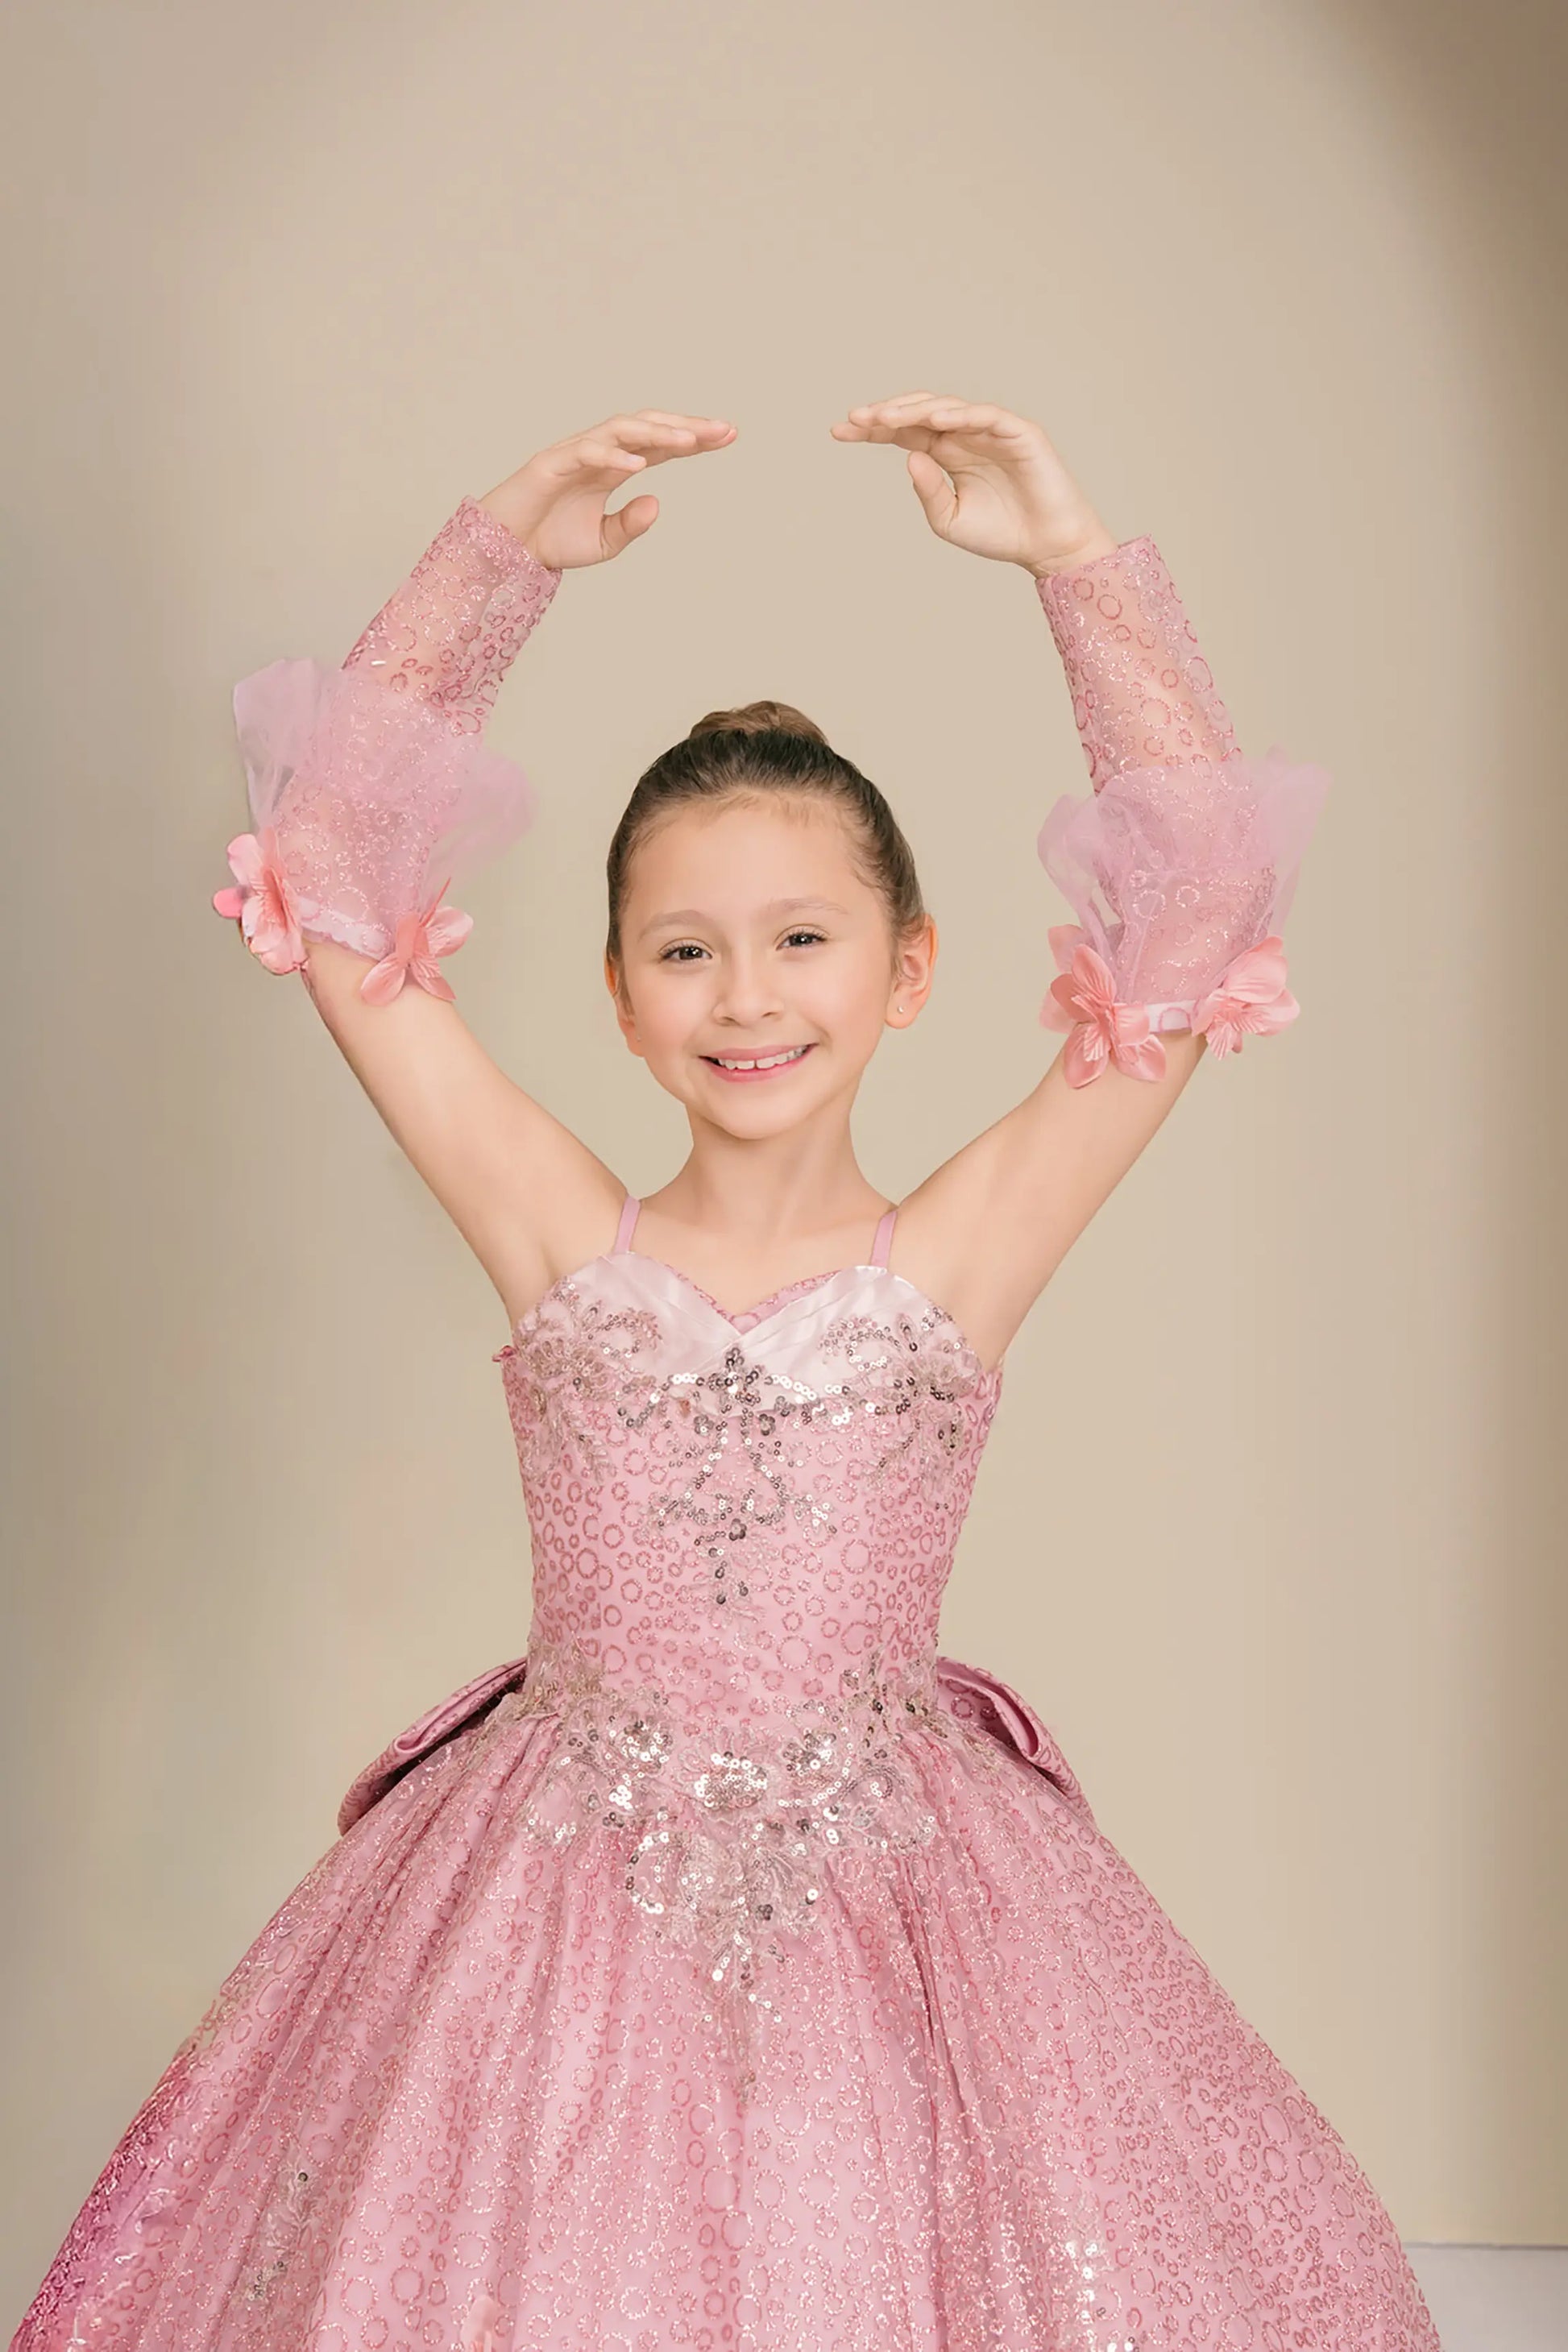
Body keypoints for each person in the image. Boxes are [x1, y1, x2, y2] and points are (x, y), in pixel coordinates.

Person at [11, 398, 1442, 2350]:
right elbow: (333, 871)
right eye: (682, 949)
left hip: (907, 1901)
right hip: (545, 1905)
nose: (746, 994)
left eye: (800, 937)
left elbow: (1194, 925)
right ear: (612, 987)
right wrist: (497, 550)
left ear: (910, 966)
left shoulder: (958, 1253)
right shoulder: (556, 1237)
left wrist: (1072, 556)